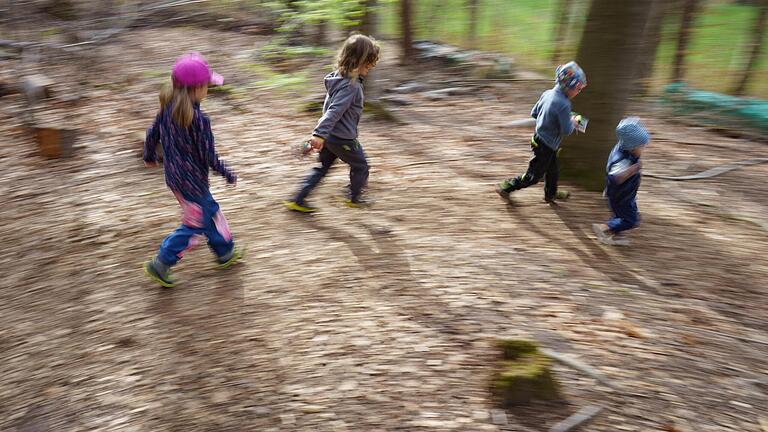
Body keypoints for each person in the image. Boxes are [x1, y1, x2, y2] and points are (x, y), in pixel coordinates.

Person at [143, 53, 242, 288]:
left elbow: (151, 134)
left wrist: (149, 156)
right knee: (195, 225)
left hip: (175, 179)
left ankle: (225, 252)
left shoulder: (167, 110)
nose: (208, 90)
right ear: (197, 88)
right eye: (207, 86)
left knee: (211, 213)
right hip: (193, 183)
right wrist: (226, 172)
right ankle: (161, 263)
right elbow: (208, 156)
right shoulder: (199, 120)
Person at [283, 34, 380, 213]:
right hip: (343, 139)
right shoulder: (352, 86)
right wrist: (318, 134)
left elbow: (330, 109)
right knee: (361, 166)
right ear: (360, 61)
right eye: (369, 63)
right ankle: (354, 198)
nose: (371, 67)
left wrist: (322, 135)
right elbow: (334, 111)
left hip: (330, 137)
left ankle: (298, 199)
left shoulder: (337, 78)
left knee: (323, 167)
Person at [496, 61, 587, 203]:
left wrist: (551, 119)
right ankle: (506, 186)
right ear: (568, 86)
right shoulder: (564, 104)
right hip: (547, 146)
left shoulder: (548, 93)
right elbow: (567, 130)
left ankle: (551, 194)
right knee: (533, 177)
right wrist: (574, 121)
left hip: (539, 139)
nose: (579, 91)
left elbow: (535, 113)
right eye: (578, 88)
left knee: (553, 171)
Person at [592, 117, 650, 246]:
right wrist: (632, 169)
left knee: (624, 215)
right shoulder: (622, 160)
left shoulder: (624, 148)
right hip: (620, 196)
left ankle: (616, 236)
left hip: (626, 194)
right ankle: (603, 228)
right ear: (631, 147)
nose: (643, 149)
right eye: (641, 146)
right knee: (631, 220)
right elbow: (614, 178)